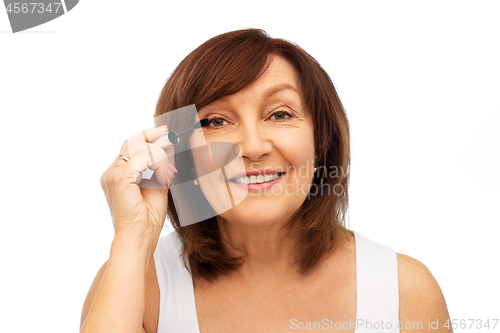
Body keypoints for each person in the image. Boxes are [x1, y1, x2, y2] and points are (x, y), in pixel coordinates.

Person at [79, 29, 452, 333]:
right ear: (178, 152)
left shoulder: (405, 291)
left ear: (321, 140)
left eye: (280, 113)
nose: (253, 147)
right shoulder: (139, 287)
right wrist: (133, 236)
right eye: (215, 122)